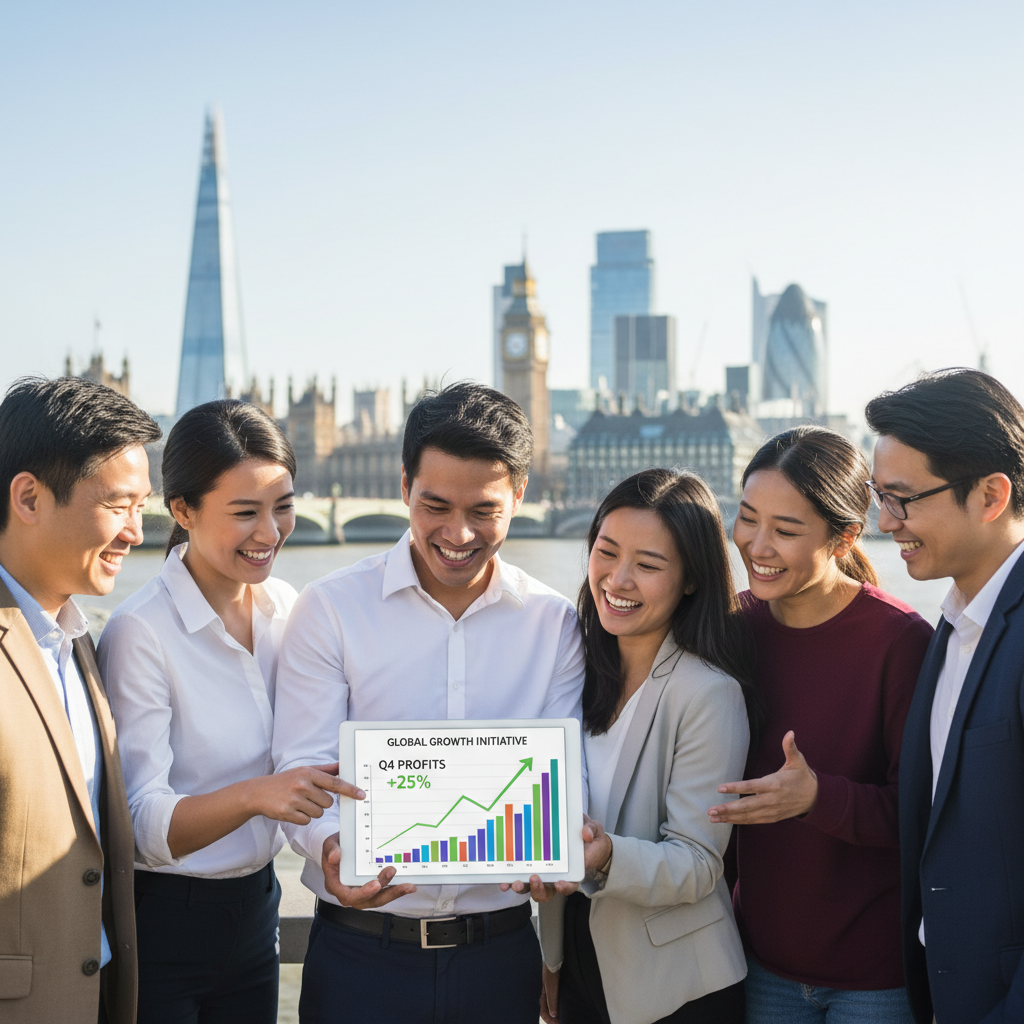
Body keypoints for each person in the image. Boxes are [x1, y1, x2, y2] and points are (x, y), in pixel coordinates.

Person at [271, 382, 585, 1024]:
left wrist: (563, 845)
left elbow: (571, 773)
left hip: (500, 959)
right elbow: (301, 772)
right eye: (435, 504)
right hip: (361, 958)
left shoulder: (553, 623)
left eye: (484, 510)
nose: (458, 533)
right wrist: (333, 848)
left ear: (520, 495)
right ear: (404, 484)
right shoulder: (330, 608)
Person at [97, 401, 351, 1024]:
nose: (269, 532)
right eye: (245, 513)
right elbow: (141, 822)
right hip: (165, 922)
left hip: (259, 907)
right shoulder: (140, 632)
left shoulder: (289, 607)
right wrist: (257, 795)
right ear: (181, 510)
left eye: (282, 506)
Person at [708, 426, 933, 1023]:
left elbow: (925, 815)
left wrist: (816, 798)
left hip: (875, 982)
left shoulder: (902, 642)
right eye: (748, 517)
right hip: (757, 966)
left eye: (785, 531)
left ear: (845, 538)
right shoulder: (731, 628)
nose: (756, 545)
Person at [526, 469, 758, 1024]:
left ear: (691, 580)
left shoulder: (708, 693)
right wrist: (551, 963)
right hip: (580, 963)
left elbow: (699, 863)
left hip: (675, 985)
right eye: (606, 552)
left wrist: (605, 857)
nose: (617, 579)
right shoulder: (571, 670)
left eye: (647, 566)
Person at [0, 376, 160, 1024]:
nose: (137, 533)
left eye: (143, 507)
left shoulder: (79, 640)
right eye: (120, 506)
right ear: (30, 497)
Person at [866, 369, 1024, 1024]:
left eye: (902, 499)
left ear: (990, 495)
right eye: (879, 496)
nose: (884, 521)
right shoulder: (952, 624)